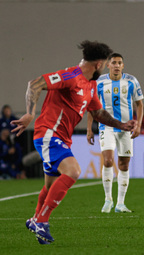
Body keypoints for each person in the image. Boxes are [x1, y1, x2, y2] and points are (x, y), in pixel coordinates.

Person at [11, 41, 136, 245]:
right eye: (104, 64)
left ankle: (35, 219)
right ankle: (42, 222)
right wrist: (29, 114)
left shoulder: (91, 85)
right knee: (74, 171)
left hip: (62, 139)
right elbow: (34, 84)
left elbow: (98, 113)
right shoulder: (71, 76)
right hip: (49, 134)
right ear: (98, 64)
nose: (104, 68)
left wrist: (122, 125)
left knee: (50, 186)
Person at [87, 53, 144, 213]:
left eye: (120, 63)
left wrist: (138, 125)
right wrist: (89, 129)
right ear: (108, 65)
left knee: (124, 165)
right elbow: (92, 107)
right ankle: (108, 199)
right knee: (108, 160)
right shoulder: (99, 82)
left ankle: (120, 203)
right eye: (114, 63)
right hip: (107, 127)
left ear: (123, 66)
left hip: (126, 128)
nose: (117, 65)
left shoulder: (131, 81)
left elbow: (139, 104)